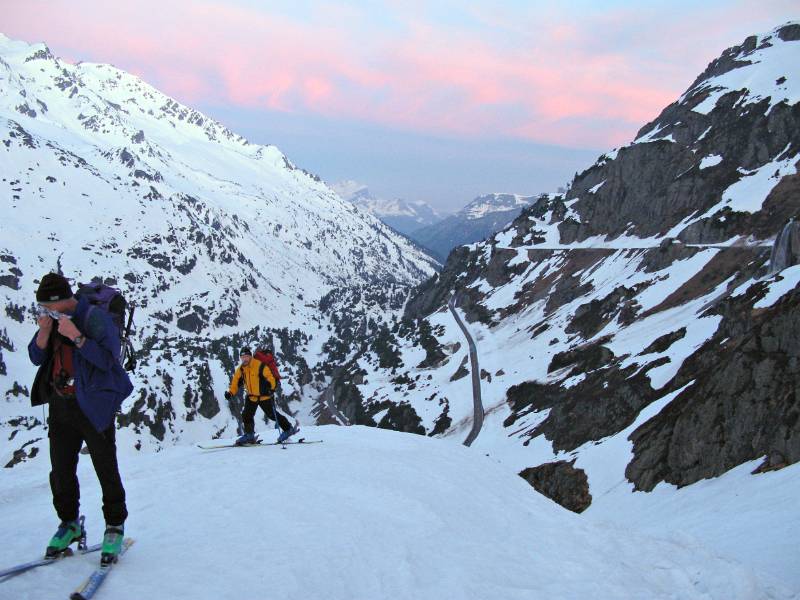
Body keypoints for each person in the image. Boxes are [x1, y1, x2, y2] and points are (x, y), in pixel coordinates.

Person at [28, 273, 134, 565]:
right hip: (61, 405)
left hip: (94, 405)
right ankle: (69, 522)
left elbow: (108, 361)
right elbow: (36, 357)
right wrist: (44, 332)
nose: (45, 311)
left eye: (48, 306)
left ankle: (114, 526)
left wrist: (77, 336)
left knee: (105, 468)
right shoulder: (51, 318)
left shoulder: (93, 318)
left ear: (63, 300)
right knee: (60, 472)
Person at [224, 347, 297, 445]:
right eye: (242, 357)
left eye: (246, 357)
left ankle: (288, 429)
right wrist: (230, 393)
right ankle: (249, 435)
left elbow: (270, 377)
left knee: (272, 415)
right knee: (246, 415)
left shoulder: (259, 366)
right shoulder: (241, 369)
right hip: (251, 396)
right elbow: (235, 382)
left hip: (264, 396)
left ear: (250, 357)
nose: (244, 359)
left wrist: (271, 388)